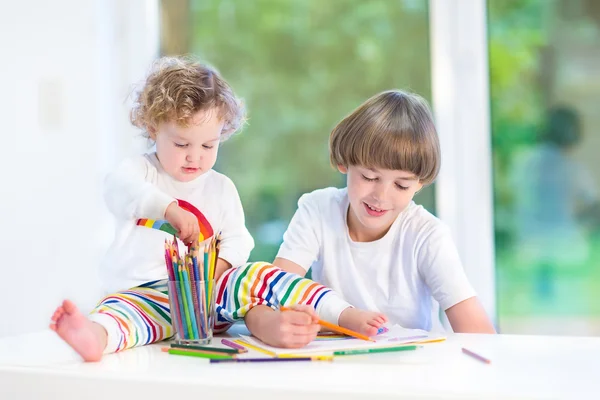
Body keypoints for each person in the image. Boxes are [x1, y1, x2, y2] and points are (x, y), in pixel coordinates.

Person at [49, 57, 386, 361]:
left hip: (208, 299)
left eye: (209, 145)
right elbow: (119, 190)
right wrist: (168, 209)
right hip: (147, 296)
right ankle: (94, 337)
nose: (195, 156)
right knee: (119, 315)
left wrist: (214, 270)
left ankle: (341, 314)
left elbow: (239, 241)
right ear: (153, 129)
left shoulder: (221, 188)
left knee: (259, 274)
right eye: (182, 144)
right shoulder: (140, 173)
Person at [245, 90, 496, 343]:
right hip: (337, 366)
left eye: (401, 185)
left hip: (412, 370)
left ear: (419, 184)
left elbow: (482, 338)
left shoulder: (427, 236)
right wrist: (269, 324)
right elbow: (269, 289)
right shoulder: (317, 210)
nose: (381, 196)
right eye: (369, 177)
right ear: (345, 162)